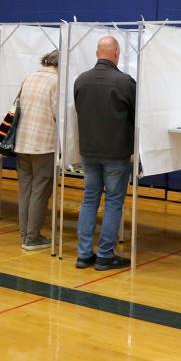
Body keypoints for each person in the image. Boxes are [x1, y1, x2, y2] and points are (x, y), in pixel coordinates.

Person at [73, 36, 134, 271]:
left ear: (97, 53)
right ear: (116, 53)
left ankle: (83, 254)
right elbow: (135, 117)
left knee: (89, 200)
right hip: (116, 151)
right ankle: (105, 256)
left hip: (88, 150)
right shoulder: (125, 82)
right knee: (113, 202)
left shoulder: (81, 80)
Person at [13, 50, 59, 251]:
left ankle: (25, 233)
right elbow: (59, 115)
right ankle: (32, 237)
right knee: (40, 190)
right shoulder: (56, 82)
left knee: (25, 189)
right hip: (43, 144)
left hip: (21, 142)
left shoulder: (28, 78)